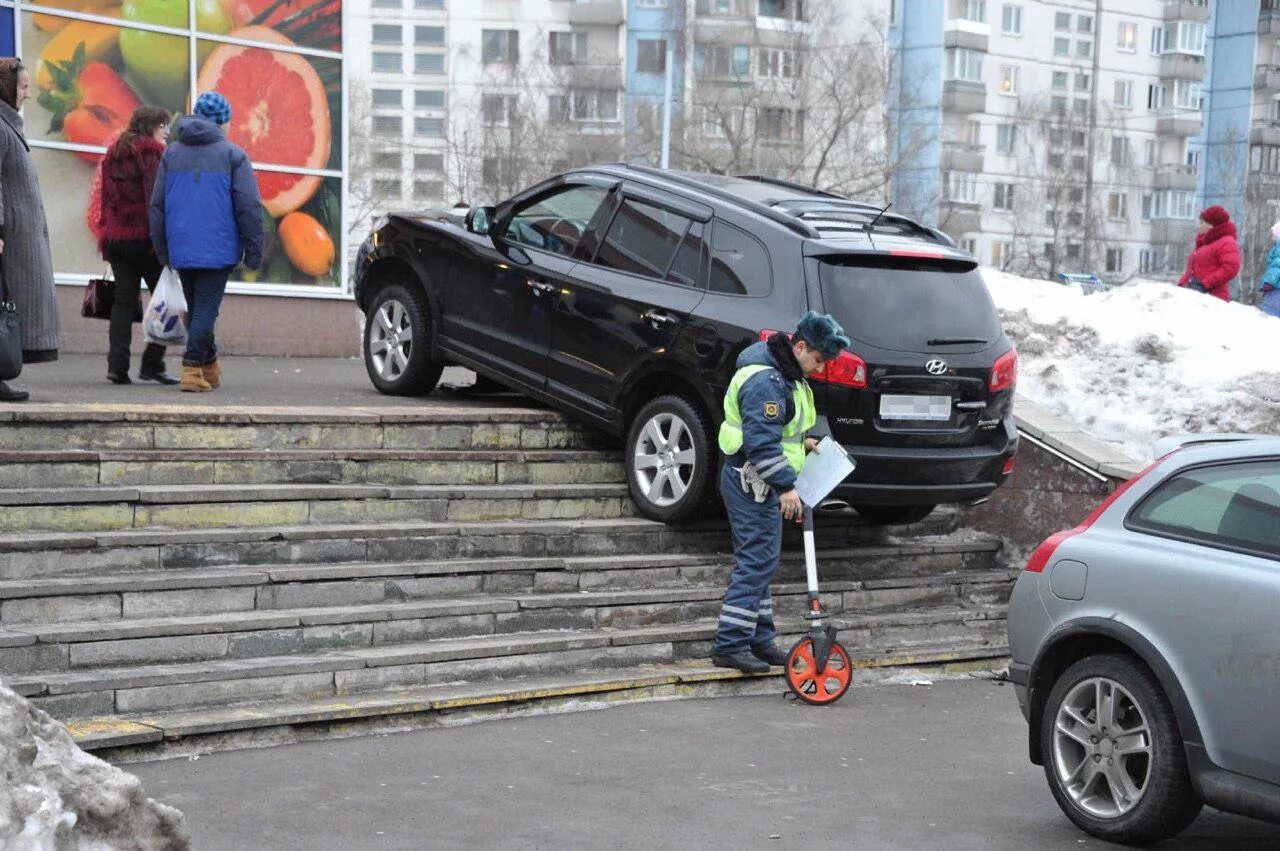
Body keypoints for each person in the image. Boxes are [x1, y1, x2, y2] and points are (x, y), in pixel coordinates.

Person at [712, 311, 851, 674]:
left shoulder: (784, 374)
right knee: (756, 561)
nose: (818, 368)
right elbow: (760, 442)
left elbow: (775, 431)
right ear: (800, 346)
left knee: (762, 560)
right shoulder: (767, 380)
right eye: (818, 360)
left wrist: (800, 442)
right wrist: (787, 486)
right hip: (752, 481)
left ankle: (758, 640)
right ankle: (730, 644)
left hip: (756, 479)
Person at [151, 90, 263, 392]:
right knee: (204, 311)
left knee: (198, 309)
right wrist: (254, 250)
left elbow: (157, 205)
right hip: (218, 248)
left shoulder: (171, 154)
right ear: (221, 122)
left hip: (181, 247)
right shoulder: (233, 156)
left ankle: (209, 365)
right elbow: (249, 206)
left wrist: (162, 248)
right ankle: (191, 368)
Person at [99, 105, 178, 385]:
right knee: (166, 300)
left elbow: (105, 201)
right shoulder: (152, 154)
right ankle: (152, 364)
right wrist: (162, 242)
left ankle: (117, 367)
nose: (167, 132)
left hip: (118, 239)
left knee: (123, 302)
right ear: (149, 127)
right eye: (162, 125)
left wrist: (106, 239)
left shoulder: (114, 154)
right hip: (144, 240)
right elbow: (154, 202)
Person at [0, 58, 60, 402]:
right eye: (23, 87)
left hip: (16, 234)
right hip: (9, 236)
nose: (27, 94)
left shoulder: (10, 125)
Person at [1177, 205, 1240, 302]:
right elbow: (1191, 270)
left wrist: (1205, 284)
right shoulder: (1204, 243)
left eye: (1202, 222)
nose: (1200, 225)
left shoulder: (1227, 242)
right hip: (1196, 295)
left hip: (1213, 299)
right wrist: (1181, 285)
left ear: (1212, 224)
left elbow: (1231, 268)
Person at [1258, 219, 1280, 319]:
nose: (1272, 238)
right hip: (1275, 288)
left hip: (1275, 290)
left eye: (1273, 235)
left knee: (1271, 315)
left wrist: (1268, 282)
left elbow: (1276, 268)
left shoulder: (1278, 250)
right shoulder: (1276, 248)